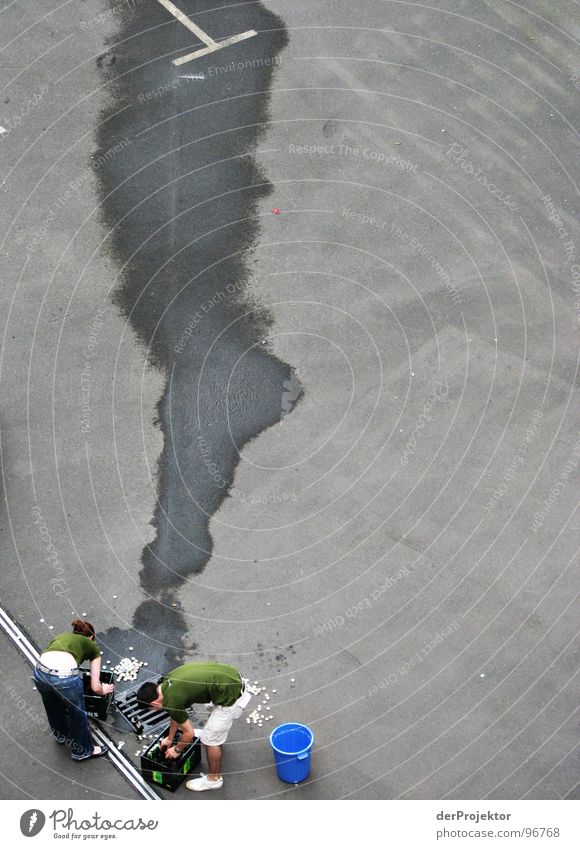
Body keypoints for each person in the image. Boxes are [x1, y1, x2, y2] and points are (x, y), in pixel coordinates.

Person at [136, 661, 251, 792]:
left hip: (231, 694)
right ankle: (214, 732)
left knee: (210, 740)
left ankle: (214, 780)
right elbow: (175, 715)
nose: (155, 711)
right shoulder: (166, 682)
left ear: (154, 703)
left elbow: (189, 734)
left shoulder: (171, 701)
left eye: (152, 709)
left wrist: (177, 750)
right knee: (211, 723)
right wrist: (169, 738)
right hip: (229, 677)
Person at [33, 619, 114, 761]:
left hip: (40, 671)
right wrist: (104, 689)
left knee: (51, 704)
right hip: (64, 678)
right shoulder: (92, 646)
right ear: (91, 637)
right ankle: (82, 750)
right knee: (77, 713)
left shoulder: (62, 637)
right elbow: (95, 687)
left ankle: (60, 734)